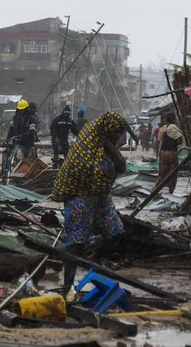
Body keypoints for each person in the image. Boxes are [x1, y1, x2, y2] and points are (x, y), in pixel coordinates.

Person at [53, 111, 127, 294]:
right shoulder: (89, 140)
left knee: (116, 234)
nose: (118, 135)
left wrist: (111, 146)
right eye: (115, 131)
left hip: (101, 196)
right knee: (75, 241)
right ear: (107, 129)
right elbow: (99, 173)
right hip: (80, 195)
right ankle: (67, 284)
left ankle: (95, 257)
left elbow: (121, 166)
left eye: (120, 132)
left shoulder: (105, 144)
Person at [153, 113, 184, 194]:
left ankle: (154, 190)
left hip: (163, 153)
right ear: (174, 119)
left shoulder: (163, 128)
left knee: (161, 175)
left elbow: (159, 141)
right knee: (172, 175)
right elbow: (179, 141)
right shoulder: (173, 128)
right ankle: (170, 193)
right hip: (171, 154)